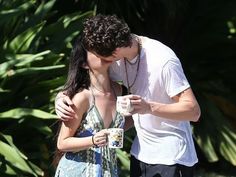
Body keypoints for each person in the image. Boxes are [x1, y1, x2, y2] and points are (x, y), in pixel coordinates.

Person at [55, 14, 201, 177]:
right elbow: (85, 79)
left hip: (171, 157)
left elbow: (194, 111)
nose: (103, 61)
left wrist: (148, 107)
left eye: (101, 56)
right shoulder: (114, 60)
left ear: (114, 52)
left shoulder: (163, 60)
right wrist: (62, 96)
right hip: (140, 154)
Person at [54, 34, 126, 177]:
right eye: (95, 51)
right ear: (84, 63)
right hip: (78, 172)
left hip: (109, 171)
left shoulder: (120, 91)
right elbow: (62, 143)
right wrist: (93, 140)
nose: (103, 52)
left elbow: (127, 122)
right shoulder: (82, 98)